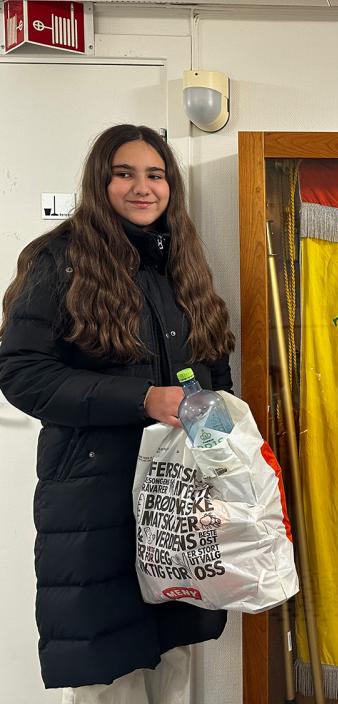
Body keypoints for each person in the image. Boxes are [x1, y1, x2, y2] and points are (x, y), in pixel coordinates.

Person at [0, 124, 235, 702]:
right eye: (124, 174)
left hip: (177, 495)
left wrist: (224, 448)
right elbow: (22, 372)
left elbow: (211, 368)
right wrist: (142, 399)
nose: (142, 187)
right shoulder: (59, 260)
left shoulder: (181, 262)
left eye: (155, 175)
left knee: (174, 653)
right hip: (93, 498)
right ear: (99, 181)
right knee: (109, 670)